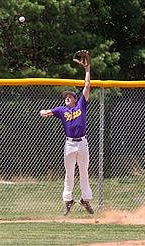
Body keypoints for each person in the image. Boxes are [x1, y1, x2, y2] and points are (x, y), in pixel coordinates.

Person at [39, 51, 93, 216]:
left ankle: (85, 200)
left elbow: (87, 86)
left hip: (82, 142)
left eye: (69, 96)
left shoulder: (81, 106)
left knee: (84, 172)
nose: (67, 98)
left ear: (75, 99)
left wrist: (87, 69)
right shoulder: (61, 110)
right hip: (69, 143)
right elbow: (47, 112)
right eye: (65, 96)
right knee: (69, 173)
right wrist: (45, 112)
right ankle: (68, 200)